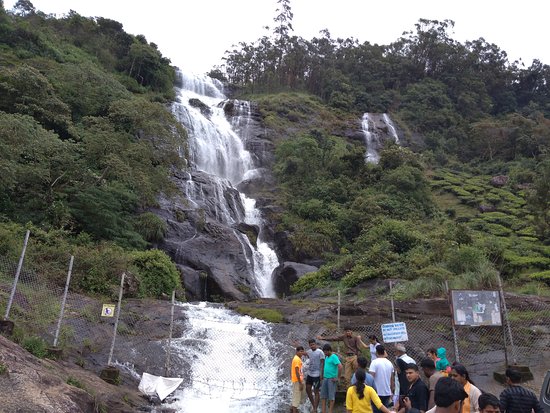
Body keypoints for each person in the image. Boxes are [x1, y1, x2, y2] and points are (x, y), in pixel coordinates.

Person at [369, 345, 395, 413]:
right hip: (387, 392)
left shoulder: (374, 362)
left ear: (376, 352)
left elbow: (371, 378)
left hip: (376, 392)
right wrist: (391, 391)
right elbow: (392, 379)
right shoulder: (390, 363)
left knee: (376, 410)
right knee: (386, 410)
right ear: (384, 352)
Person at [320, 344, 343, 413]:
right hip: (325, 378)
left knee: (331, 397)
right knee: (323, 396)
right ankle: (323, 411)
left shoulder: (334, 357)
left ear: (330, 350)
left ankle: (330, 411)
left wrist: (338, 377)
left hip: (331, 379)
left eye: (326, 352)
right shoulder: (327, 357)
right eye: (324, 352)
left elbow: (340, 366)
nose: (325, 353)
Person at [306, 339, 325, 413]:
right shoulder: (309, 351)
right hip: (310, 374)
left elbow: (323, 364)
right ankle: (314, 405)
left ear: (316, 344)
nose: (312, 346)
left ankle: (315, 408)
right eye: (311, 345)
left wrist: (321, 374)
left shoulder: (320, 352)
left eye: (313, 344)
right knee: (308, 389)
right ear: (309, 345)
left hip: (317, 375)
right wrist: (296, 345)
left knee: (316, 391)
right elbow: (303, 353)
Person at [291, 346, 307, 413]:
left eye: (302, 351)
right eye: (300, 351)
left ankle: (293, 410)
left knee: (298, 396)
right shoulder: (297, 359)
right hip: (298, 381)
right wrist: (300, 383)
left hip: (298, 380)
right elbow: (297, 372)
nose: (302, 353)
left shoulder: (297, 358)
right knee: (297, 397)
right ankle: (294, 410)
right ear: (297, 352)